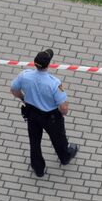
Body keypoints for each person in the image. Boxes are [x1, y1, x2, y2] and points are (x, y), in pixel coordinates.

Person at [10, 48, 79, 178]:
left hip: (32, 113)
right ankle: (65, 157)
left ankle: (38, 168)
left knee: (34, 141)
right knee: (59, 139)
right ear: (48, 65)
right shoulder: (54, 83)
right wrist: (62, 113)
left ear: (35, 63)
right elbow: (64, 107)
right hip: (51, 117)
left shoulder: (24, 75)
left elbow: (14, 90)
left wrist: (23, 98)